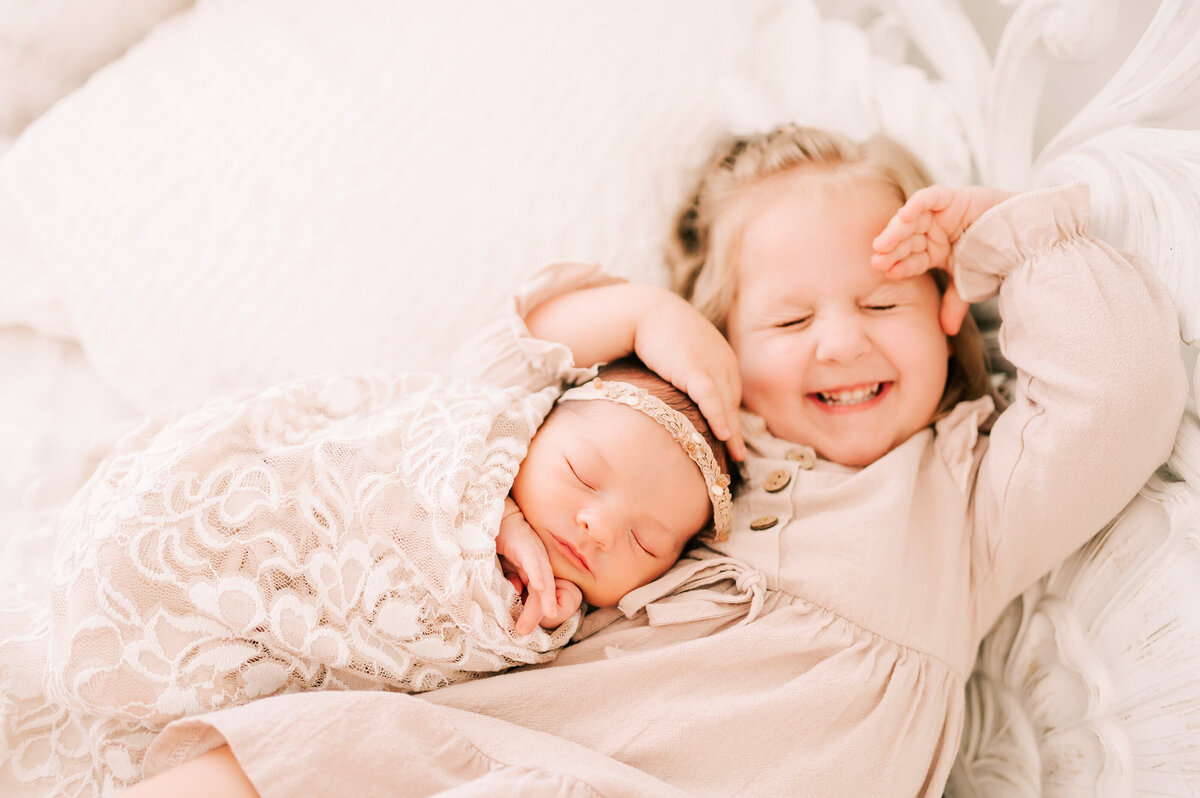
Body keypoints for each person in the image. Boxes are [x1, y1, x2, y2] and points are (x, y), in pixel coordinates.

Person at [121, 123, 1186, 798]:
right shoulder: (676, 441)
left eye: (882, 303)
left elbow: (1123, 398)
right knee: (244, 764)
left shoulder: (962, 502)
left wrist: (1011, 240)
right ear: (722, 341)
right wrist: (640, 317)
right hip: (516, 743)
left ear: (947, 312)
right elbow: (480, 391)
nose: (841, 342)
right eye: (788, 318)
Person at [1, 358, 732, 797]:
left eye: (646, 541)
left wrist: (500, 605)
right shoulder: (467, 442)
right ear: (533, 427)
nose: (599, 528)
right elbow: (346, 475)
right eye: (582, 475)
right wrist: (477, 516)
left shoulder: (560, 617)